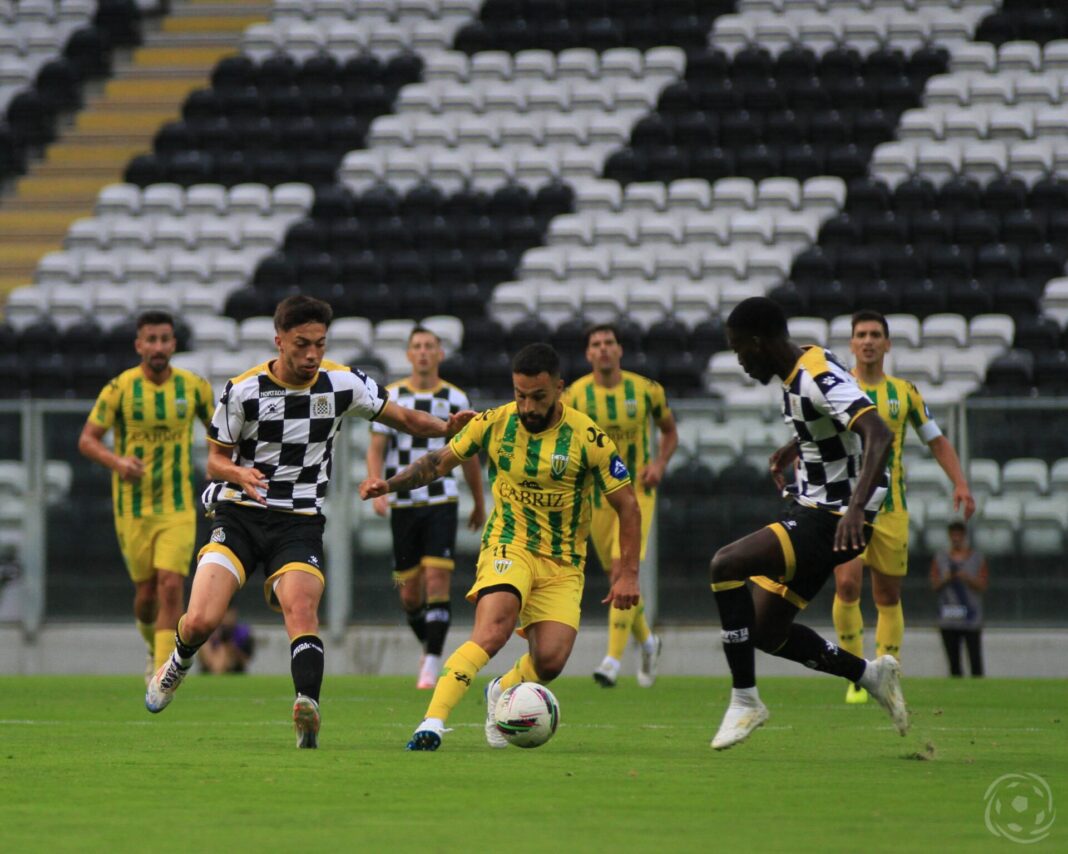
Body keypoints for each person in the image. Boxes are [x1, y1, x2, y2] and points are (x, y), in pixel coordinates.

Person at [144, 295, 474, 749]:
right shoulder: (242, 391)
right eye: (301, 344)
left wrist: (445, 428)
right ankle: (177, 663)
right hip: (239, 514)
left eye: (320, 343)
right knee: (201, 620)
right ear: (279, 341)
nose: (312, 355)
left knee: (302, 610)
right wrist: (238, 472)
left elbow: (402, 417)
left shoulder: (343, 383)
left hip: (298, 522)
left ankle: (307, 710)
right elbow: (214, 462)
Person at [360, 343, 641, 752]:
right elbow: (436, 463)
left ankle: (502, 690)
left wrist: (629, 572)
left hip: (563, 562)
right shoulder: (493, 423)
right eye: (520, 395)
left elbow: (627, 506)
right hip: (509, 545)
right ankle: (432, 722)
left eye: (538, 397)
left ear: (559, 389)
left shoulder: (587, 436)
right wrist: (390, 483)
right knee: (494, 629)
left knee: (549, 662)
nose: (527, 406)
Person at [708, 297, 908, 751]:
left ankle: (745, 700)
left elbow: (878, 432)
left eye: (739, 349)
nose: (739, 360)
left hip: (834, 517)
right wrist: (795, 446)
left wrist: (856, 509)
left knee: (724, 565)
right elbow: (832, 424)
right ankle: (869, 674)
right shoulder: (803, 370)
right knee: (765, 630)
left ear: (759, 342)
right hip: (816, 510)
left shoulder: (816, 373)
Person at [832, 310, 975, 704]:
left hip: (891, 507)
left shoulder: (905, 393)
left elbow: (937, 440)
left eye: (876, 334)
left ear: (888, 344)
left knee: (887, 595)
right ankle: (853, 671)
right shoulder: (838, 388)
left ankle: (886, 673)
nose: (868, 341)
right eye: (861, 334)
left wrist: (960, 482)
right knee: (846, 584)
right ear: (852, 344)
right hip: (847, 506)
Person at [78, 309, 214, 682]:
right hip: (133, 508)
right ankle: (154, 647)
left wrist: (224, 467)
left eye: (164, 339)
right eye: (150, 340)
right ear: (139, 345)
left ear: (174, 343)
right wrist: (118, 462)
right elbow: (87, 440)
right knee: (146, 594)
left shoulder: (194, 387)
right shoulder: (120, 389)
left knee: (171, 584)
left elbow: (219, 431)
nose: (158, 346)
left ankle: (160, 676)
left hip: (177, 505)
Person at [366, 326, 486, 689]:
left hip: (441, 502)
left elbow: (467, 457)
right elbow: (376, 447)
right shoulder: (395, 396)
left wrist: (478, 502)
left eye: (429, 346)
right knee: (406, 587)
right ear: (407, 354)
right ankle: (429, 646)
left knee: (438, 580)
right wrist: (377, 485)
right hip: (404, 504)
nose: (422, 352)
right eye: (416, 346)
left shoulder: (454, 398)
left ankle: (432, 663)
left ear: (439, 355)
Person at [564, 323, 677, 688]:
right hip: (594, 497)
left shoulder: (646, 390)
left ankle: (612, 660)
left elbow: (669, 430)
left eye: (609, 342)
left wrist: (658, 464)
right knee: (618, 580)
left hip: (636, 493)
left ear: (619, 349)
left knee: (620, 571)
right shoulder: (576, 395)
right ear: (588, 354)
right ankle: (647, 641)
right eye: (596, 344)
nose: (603, 349)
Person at [930, 520, 988, 677]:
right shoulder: (941, 557)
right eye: (953, 535)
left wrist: (967, 578)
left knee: (975, 661)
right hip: (948, 615)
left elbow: (983, 584)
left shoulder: (976, 557)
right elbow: (934, 585)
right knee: (954, 663)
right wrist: (946, 579)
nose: (956, 538)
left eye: (959, 535)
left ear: (964, 536)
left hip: (971, 616)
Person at [198, 606, 255, 674]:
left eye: (229, 613)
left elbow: (246, 659)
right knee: (208, 646)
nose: (227, 618)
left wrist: (231, 648)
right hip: (211, 666)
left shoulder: (243, 633)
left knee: (223, 650)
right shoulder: (210, 632)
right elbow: (203, 656)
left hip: (234, 669)